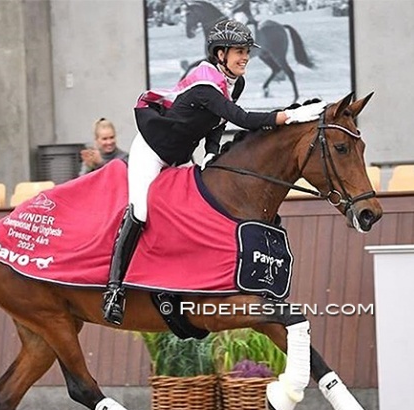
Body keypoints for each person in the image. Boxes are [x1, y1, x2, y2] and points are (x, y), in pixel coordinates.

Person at [102, 19, 325, 325]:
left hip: (180, 156)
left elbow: (217, 123)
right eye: (238, 51)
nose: (245, 57)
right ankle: (114, 290)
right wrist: (290, 116)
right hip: (152, 150)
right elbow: (241, 119)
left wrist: (210, 150)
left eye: (247, 51)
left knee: (188, 211)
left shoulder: (237, 82)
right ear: (220, 54)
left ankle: (171, 282)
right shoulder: (206, 84)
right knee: (141, 211)